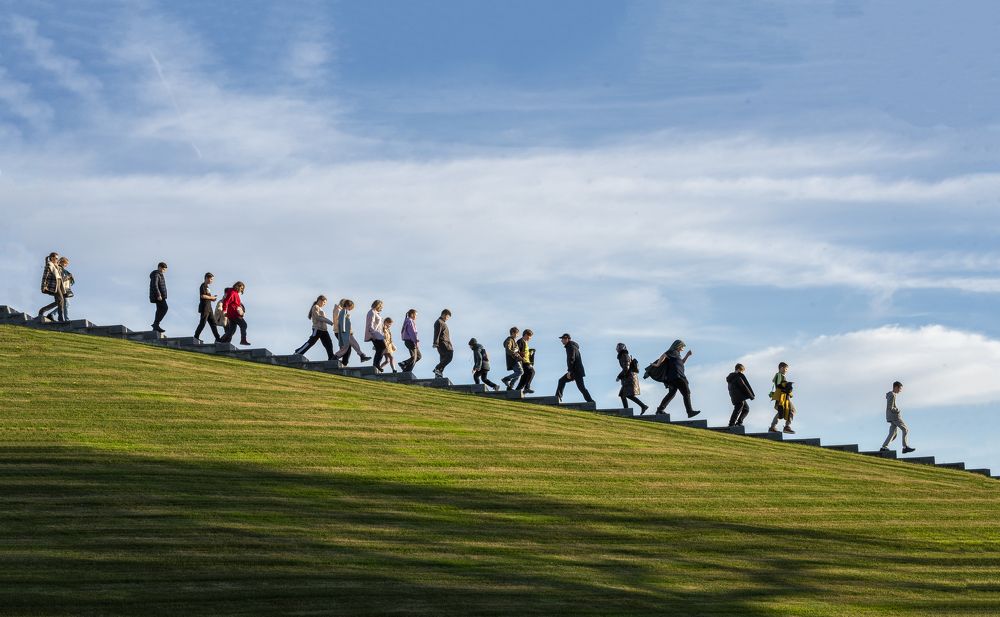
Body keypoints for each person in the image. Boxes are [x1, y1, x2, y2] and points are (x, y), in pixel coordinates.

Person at [650, 340, 701, 418]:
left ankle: (660, 410)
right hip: (677, 376)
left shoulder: (677, 355)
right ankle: (689, 411)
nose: (683, 349)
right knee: (686, 392)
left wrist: (687, 355)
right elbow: (664, 355)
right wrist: (657, 364)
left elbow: (681, 362)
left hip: (674, 377)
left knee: (672, 394)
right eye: (682, 347)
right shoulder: (672, 352)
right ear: (678, 346)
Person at [555, 333, 595, 404]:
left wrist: (569, 371)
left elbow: (571, 359)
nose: (562, 341)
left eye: (563, 339)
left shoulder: (570, 346)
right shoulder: (572, 346)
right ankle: (590, 401)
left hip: (575, 371)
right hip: (577, 371)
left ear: (567, 339)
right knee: (581, 387)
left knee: (562, 381)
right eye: (562, 339)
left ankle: (557, 397)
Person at [294, 295, 336, 360]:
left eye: (325, 303)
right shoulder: (315, 307)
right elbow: (318, 317)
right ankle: (298, 352)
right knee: (311, 342)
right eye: (324, 302)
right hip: (317, 329)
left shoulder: (319, 308)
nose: (324, 304)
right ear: (319, 300)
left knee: (329, 343)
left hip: (324, 330)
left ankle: (331, 357)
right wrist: (330, 322)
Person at [881, 381, 915, 454]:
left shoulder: (891, 394)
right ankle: (905, 447)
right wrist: (898, 410)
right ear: (896, 387)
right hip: (894, 416)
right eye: (900, 389)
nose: (900, 390)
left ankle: (884, 447)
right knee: (905, 429)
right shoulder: (892, 395)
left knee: (893, 433)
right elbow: (890, 407)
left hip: (891, 416)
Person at [334, 300, 370, 365]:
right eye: (351, 307)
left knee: (353, 344)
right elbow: (342, 322)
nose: (351, 309)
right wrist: (343, 331)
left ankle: (362, 355)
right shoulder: (344, 311)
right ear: (348, 305)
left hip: (347, 332)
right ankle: (335, 357)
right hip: (345, 332)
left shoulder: (345, 311)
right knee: (347, 346)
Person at [616, 343, 648, 414]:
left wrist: (619, 376)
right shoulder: (623, 355)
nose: (617, 348)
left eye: (618, 347)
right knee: (623, 395)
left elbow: (626, 368)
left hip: (629, 378)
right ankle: (640, 407)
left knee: (626, 395)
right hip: (629, 378)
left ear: (621, 348)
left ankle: (641, 407)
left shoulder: (624, 355)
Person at [768, 362, 796, 434]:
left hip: (781, 397)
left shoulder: (779, 376)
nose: (786, 370)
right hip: (782, 397)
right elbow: (779, 385)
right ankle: (786, 427)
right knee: (792, 410)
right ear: (781, 368)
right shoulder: (780, 375)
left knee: (781, 412)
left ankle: (773, 427)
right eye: (785, 368)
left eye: (787, 369)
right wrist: (788, 386)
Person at [194, 272, 222, 342]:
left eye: (212, 279)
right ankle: (196, 336)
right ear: (207, 278)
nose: (212, 281)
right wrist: (212, 297)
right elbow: (202, 296)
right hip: (205, 307)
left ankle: (218, 338)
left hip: (209, 308)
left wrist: (212, 299)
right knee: (203, 323)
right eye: (211, 279)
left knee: (213, 323)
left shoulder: (208, 287)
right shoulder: (203, 286)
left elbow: (207, 297)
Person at [45, 257, 74, 322]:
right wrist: (67, 277)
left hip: (65, 289)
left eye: (67, 264)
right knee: (66, 304)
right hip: (61, 289)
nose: (66, 265)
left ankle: (51, 314)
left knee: (64, 305)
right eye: (65, 263)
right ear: (62, 262)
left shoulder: (64, 271)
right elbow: (60, 280)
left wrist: (70, 277)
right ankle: (66, 319)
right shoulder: (59, 269)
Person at [37, 252, 63, 320]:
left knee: (58, 301)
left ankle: (42, 310)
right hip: (54, 284)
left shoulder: (56, 265)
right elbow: (45, 276)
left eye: (58, 258)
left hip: (59, 283)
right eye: (56, 258)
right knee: (61, 300)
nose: (57, 259)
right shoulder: (49, 265)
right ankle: (61, 318)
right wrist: (43, 286)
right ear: (52, 257)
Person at [365, 300, 387, 372]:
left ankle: (376, 364)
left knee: (379, 349)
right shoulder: (371, 312)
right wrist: (373, 334)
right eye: (381, 307)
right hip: (375, 334)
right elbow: (370, 324)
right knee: (383, 347)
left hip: (378, 334)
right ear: (378, 305)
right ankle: (376, 364)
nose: (382, 308)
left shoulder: (376, 313)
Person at [432, 309, 453, 378]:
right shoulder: (439, 322)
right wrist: (435, 342)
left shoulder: (442, 322)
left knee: (443, 359)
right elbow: (437, 333)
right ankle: (437, 369)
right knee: (449, 356)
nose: (447, 319)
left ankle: (438, 374)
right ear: (444, 315)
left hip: (444, 343)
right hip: (443, 343)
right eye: (447, 317)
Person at [149, 262, 169, 333]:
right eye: (163, 269)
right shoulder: (156, 274)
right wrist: (158, 295)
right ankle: (156, 324)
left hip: (160, 296)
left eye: (165, 270)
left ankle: (155, 326)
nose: (164, 271)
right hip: (158, 296)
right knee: (165, 308)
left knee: (159, 310)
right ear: (159, 267)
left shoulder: (160, 274)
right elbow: (155, 285)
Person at [514, 329, 536, 394]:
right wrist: (521, 357)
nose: (530, 338)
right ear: (526, 335)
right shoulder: (520, 341)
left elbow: (525, 352)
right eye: (530, 336)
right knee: (532, 372)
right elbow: (516, 351)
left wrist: (530, 352)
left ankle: (517, 392)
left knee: (524, 378)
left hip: (527, 362)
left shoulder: (525, 342)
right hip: (523, 362)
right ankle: (527, 388)